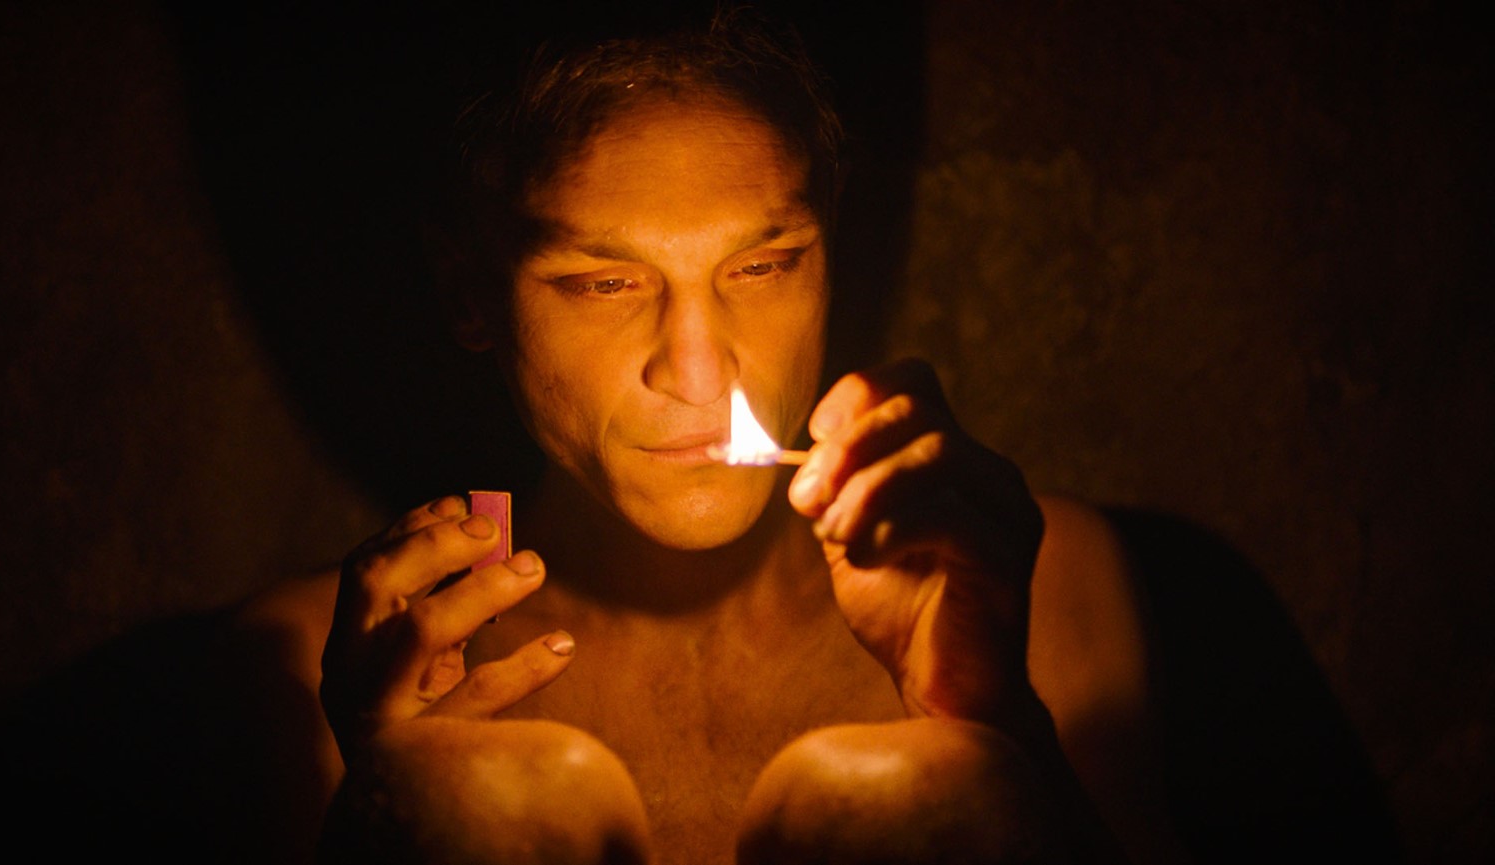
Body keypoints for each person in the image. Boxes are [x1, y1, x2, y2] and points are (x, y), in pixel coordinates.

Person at [233, 8, 1183, 864]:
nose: (699, 373)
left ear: (832, 249)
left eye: (763, 266)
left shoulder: (1026, 587)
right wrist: (394, 808)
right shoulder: (319, 665)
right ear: (467, 290)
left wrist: (1002, 728)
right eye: (605, 284)